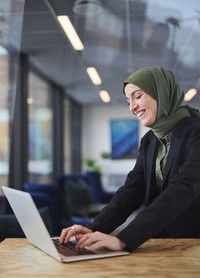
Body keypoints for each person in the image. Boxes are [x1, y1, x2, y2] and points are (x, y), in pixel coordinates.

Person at [59, 66, 200, 252]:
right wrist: (95, 228)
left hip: (193, 244)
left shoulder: (196, 132)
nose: (132, 107)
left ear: (161, 92)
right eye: (128, 100)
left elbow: (183, 189)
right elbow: (132, 190)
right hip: (161, 245)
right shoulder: (150, 141)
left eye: (138, 96)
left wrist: (123, 239)